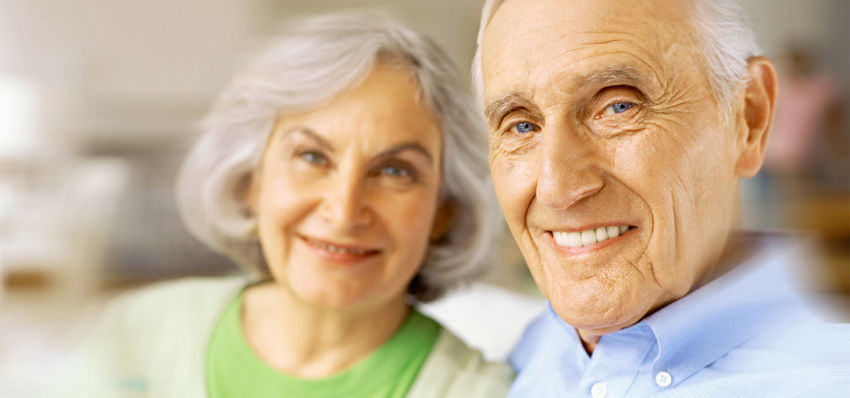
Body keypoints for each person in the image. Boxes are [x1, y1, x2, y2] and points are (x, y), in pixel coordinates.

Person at [67, 13, 511, 398]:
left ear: (444, 211)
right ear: (251, 182)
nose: (343, 211)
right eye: (312, 157)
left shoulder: (479, 390)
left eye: (395, 171)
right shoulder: (137, 331)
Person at [473, 0, 848, 396]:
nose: (556, 189)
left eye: (618, 105)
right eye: (521, 125)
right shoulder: (518, 356)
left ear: (748, 117)